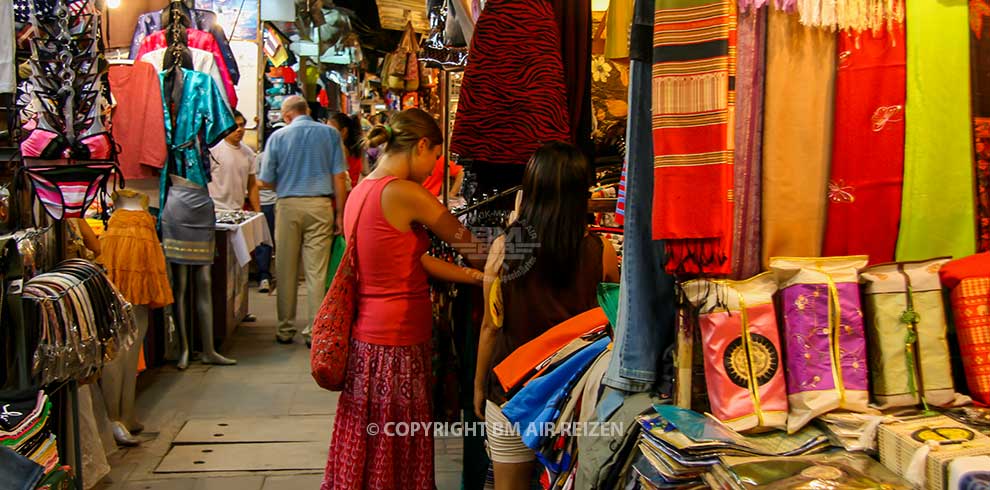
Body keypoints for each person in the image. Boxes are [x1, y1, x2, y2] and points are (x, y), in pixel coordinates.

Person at [322, 108, 485, 490]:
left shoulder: (362, 190)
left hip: (367, 341)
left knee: (372, 440)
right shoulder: (405, 193)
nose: (433, 170)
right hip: (398, 341)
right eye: (433, 158)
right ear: (422, 145)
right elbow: (469, 245)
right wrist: (505, 255)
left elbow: (408, 261)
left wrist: (473, 277)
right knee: (397, 443)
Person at [473, 142, 620, 490]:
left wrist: (479, 386)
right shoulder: (601, 253)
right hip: (569, 402)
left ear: (529, 191)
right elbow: (613, 323)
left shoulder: (506, 249)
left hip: (512, 393)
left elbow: (491, 326)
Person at [259, 95, 349, 346]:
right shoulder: (329, 135)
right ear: (306, 110)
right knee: (316, 272)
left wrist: (285, 181)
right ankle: (315, 330)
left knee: (286, 269)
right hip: (320, 206)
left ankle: (285, 328)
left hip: (288, 205)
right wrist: (340, 214)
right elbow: (339, 178)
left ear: (287, 116)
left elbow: (265, 180)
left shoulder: (277, 137)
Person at [207, 111, 260, 212]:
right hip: (215, 209)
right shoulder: (213, 150)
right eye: (234, 126)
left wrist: (258, 212)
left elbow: (252, 184)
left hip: (237, 209)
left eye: (241, 125)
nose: (239, 130)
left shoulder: (248, 152)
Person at [254, 150, 277, 293]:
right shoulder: (261, 157)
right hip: (266, 202)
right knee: (264, 241)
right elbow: (255, 182)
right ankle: (264, 276)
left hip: (282, 200)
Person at [328, 112, 366, 188]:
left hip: (343, 192)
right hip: (353, 192)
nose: (327, 133)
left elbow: (340, 178)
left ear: (344, 131)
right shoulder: (356, 148)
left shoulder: (341, 149)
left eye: (330, 130)